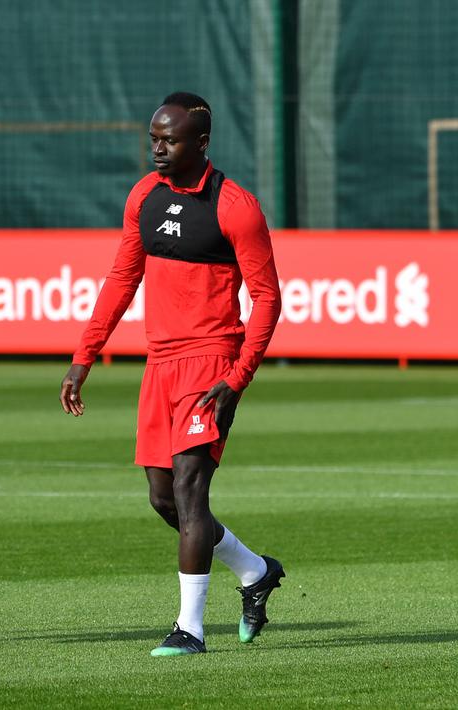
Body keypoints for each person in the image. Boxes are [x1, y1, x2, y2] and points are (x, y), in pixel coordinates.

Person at [59, 92, 286, 657]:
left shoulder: (236, 207)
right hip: (159, 364)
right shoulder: (144, 196)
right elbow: (120, 279)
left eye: (169, 140)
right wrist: (84, 356)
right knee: (164, 500)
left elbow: (267, 298)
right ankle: (256, 571)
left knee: (189, 490)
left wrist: (237, 378)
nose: (157, 148)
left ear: (201, 143)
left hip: (211, 362)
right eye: (154, 138)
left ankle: (189, 629)